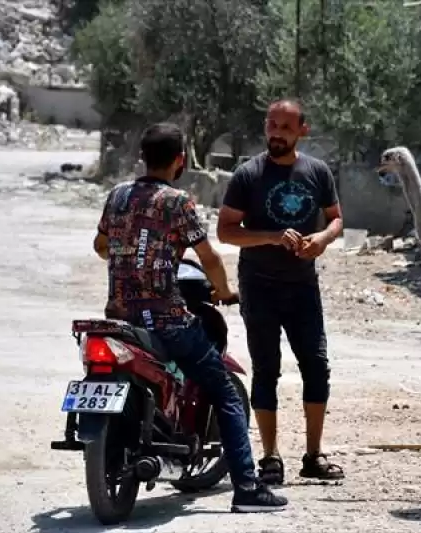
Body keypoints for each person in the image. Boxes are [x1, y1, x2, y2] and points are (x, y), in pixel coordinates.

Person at [92, 122, 288, 513]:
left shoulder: (117, 196)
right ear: (180, 160)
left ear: (142, 158)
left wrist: (131, 254)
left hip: (118, 318)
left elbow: (101, 246)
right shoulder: (177, 202)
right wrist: (226, 291)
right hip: (165, 319)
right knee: (228, 393)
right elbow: (210, 257)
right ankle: (248, 489)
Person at [216, 99, 345, 485]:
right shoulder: (248, 174)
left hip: (303, 286)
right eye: (272, 125)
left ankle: (313, 455)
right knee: (266, 371)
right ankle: (270, 457)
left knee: (317, 367)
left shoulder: (317, 172)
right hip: (259, 287)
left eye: (285, 127)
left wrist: (321, 239)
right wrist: (271, 237)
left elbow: (337, 218)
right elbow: (225, 231)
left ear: (302, 130)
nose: (276, 133)